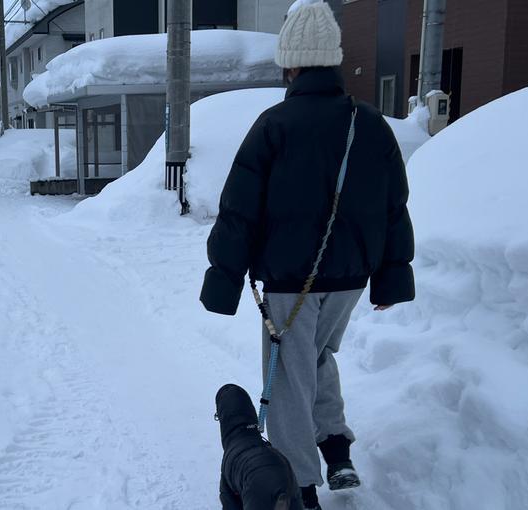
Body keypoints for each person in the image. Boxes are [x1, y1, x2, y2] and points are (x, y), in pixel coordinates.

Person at [199, 1, 415, 508]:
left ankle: (299, 487)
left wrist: (224, 278)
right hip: (350, 279)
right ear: (333, 61)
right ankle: (336, 449)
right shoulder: (371, 124)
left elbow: (239, 212)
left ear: (291, 64)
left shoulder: (274, 125)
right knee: (317, 358)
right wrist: (391, 278)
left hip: (291, 283)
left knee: (291, 379)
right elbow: (393, 206)